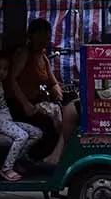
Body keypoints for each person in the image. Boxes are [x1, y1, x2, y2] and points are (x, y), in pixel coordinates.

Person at [8, 18, 78, 166]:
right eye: (40, 36)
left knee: (67, 108)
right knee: (48, 125)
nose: (44, 41)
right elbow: (12, 80)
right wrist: (26, 104)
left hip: (37, 103)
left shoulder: (43, 57)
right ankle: (39, 160)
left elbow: (52, 82)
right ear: (31, 36)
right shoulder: (24, 53)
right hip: (20, 105)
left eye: (46, 36)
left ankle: (60, 154)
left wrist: (57, 91)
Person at [0, 53, 42, 182]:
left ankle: (16, 160)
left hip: (7, 120)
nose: (2, 72)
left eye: (5, 69)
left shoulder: (0, 84)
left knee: (37, 133)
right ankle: (6, 168)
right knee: (22, 136)